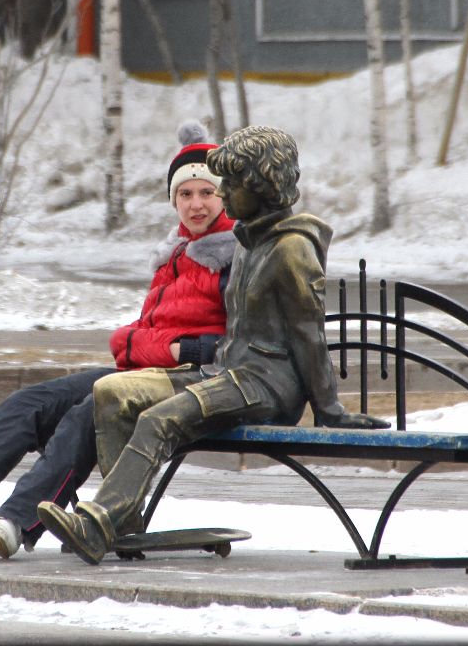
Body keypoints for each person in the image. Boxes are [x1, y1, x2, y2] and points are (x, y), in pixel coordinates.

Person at [0, 122, 236, 559]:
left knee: (89, 409)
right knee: (27, 404)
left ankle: (18, 520)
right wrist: (148, 345)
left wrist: (177, 349)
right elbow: (135, 341)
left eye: (207, 192)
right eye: (185, 194)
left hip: (194, 386)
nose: (196, 203)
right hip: (145, 371)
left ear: (225, 195)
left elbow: (233, 344)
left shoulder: (235, 255)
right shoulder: (174, 256)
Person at [37, 125, 388, 565]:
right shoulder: (248, 241)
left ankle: (98, 520)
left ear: (260, 185)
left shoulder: (292, 248)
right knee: (110, 393)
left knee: (160, 419)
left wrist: (329, 409)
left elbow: (308, 333)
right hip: (228, 373)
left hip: (266, 385)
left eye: (233, 184)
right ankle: (122, 526)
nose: (225, 193)